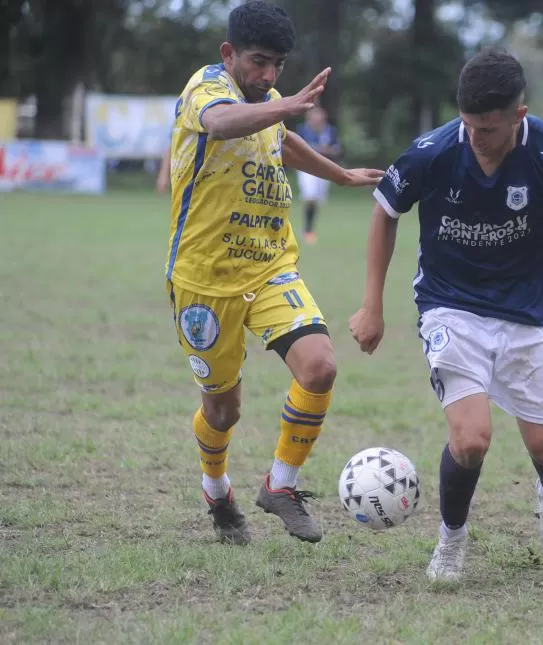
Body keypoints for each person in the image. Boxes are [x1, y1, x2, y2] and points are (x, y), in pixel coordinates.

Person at [348, 48, 543, 582]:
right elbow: (385, 212)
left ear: (518, 116)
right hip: (451, 307)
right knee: (470, 439)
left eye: (487, 129)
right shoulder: (433, 151)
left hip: (529, 315)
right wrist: (371, 303)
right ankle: (451, 541)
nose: (475, 138)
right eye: (468, 125)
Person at [164, 0, 383, 545]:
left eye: (277, 65)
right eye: (258, 62)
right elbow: (221, 123)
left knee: (320, 367)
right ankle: (217, 491)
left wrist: (342, 176)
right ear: (228, 53)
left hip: (270, 265)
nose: (267, 75)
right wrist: (285, 103)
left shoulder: (268, 106)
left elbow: (283, 141)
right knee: (223, 409)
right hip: (204, 280)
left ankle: (280, 485)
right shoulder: (207, 90)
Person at [296, 106, 341, 244]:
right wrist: (316, 149)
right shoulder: (303, 130)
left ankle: (310, 229)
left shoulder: (330, 131)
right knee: (310, 197)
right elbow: (298, 148)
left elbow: (337, 150)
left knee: (316, 201)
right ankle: (308, 230)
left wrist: (328, 150)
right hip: (307, 169)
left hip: (324, 169)